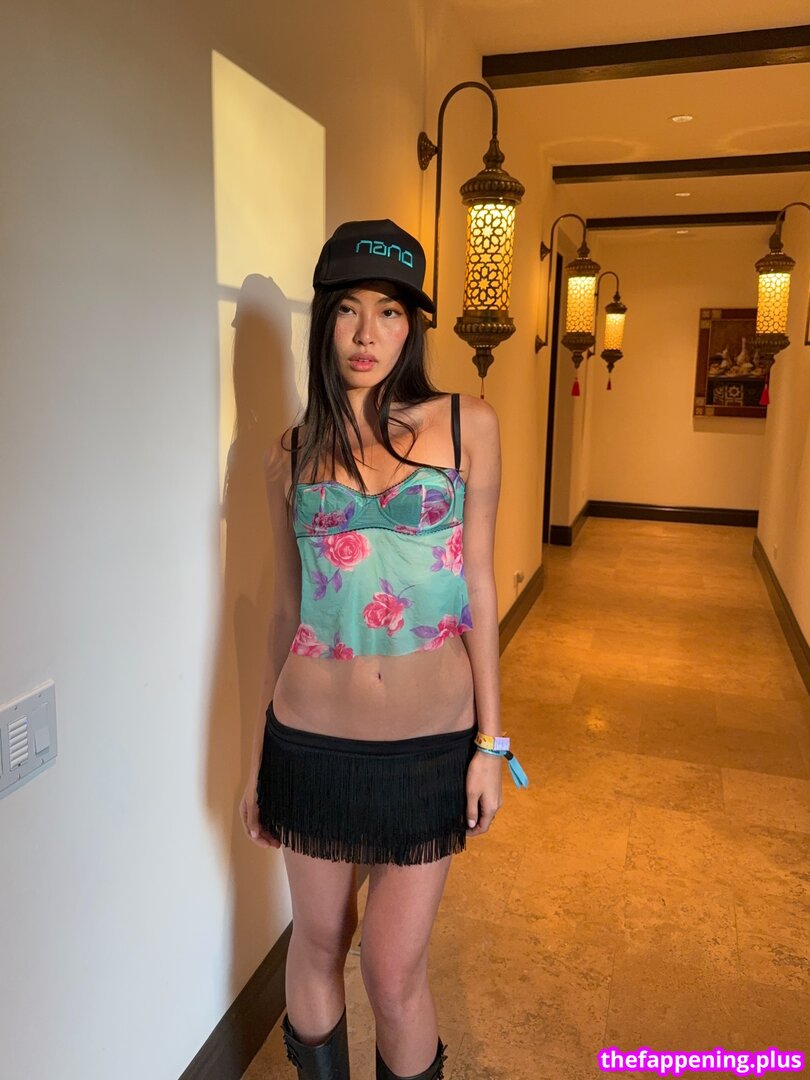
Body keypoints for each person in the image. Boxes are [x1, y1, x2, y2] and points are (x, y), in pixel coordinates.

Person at [239, 219, 527, 1080]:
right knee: (318, 946)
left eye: (391, 311)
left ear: (413, 327)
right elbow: (286, 609)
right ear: (325, 319)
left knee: (394, 973)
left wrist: (491, 745)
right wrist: (257, 761)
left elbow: (479, 588)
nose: (368, 334)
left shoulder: (468, 423)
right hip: (310, 740)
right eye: (349, 310)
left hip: (429, 746)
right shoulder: (290, 453)